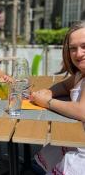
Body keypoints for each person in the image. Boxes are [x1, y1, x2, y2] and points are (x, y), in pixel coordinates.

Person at [30, 21, 85, 174]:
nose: (78, 53)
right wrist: (49, 92)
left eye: (84, 46)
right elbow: (64, 86)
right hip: (75, 137)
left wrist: (47, 102)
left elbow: (82, 111)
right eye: (73, 48)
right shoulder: (79, 74)